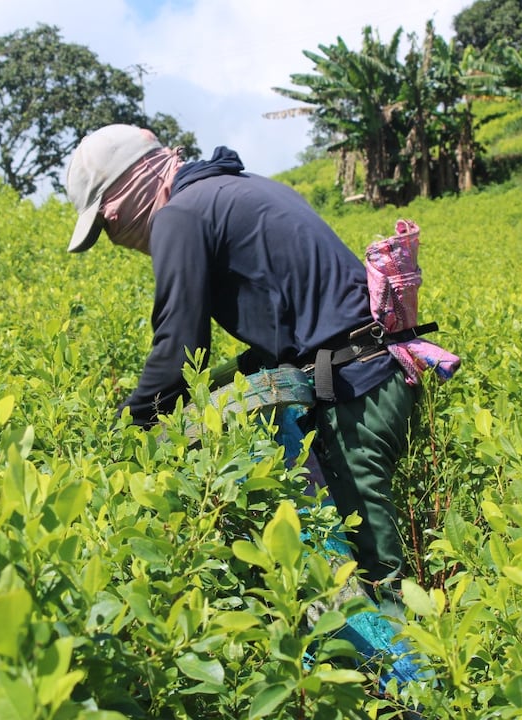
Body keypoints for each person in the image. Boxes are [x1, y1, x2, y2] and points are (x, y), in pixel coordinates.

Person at [63, 123, 421, 614]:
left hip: (357, 386)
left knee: (374, 576)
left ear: (126, 191)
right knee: (347, 554)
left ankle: (413, 682)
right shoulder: (241, 187)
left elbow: (179, 348)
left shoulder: (180, 216)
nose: (114, 235)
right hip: (380, 372)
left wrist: (125, 435)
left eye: (107, 222)